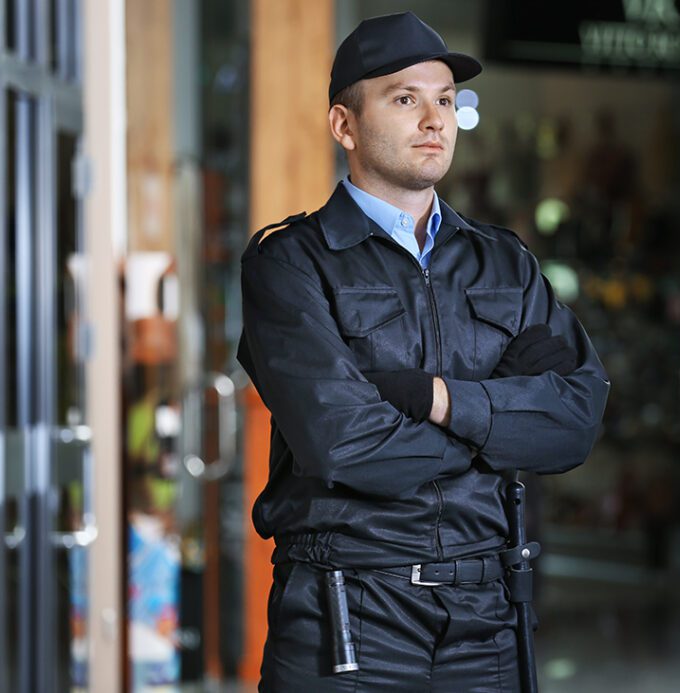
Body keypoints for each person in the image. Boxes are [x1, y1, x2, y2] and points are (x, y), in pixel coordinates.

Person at [236, 12, 610, 691]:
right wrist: (502, 427)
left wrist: (438, 399)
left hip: (487, 619)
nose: (435, 118)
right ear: (344, 126)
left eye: (445, 99)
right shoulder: (292, 264)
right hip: (346, 615)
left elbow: (577, 417)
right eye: (405, 98)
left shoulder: (505, 263)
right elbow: (343, 443)